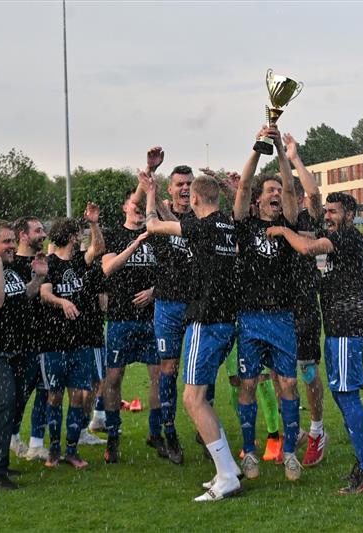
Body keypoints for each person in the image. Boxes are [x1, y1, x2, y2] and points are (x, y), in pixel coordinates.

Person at [267, 192, 363, 494]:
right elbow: (310, 234)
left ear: (350, 215)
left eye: (334, 211)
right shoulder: (339, 236)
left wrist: (282, 231)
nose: (328, 216)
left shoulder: (346, 237)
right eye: (327, 211)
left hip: (347, 330)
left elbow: (306, 247)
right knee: (343, 395)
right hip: (337, 330)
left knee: (347, 396)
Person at [142, 171, 243, 501]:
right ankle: (227, 467)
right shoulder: (227, 223)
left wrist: (149, 194)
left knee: (192, 399)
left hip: (206, 321)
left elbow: (154, 227)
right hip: (228, 321)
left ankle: (227, 475)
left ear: (196, 199)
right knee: (200, 398)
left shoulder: (203, 226)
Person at [232, 125, 303, 482]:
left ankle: (290, 452)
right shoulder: (244, 225)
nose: (276, 194)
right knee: (247, 385)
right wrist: (259, 147)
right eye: (270, 191)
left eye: (278, 192)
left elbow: (291, 187)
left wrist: (279, 147)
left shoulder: (288, 222)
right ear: (259, 199)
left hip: (282, 317)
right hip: (250, 319)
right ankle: (248, 453)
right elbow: (243, 186)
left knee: (288, 384)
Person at [0, 219, 46, 489]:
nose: (13, 246)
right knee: (2, 403)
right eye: (7, 241)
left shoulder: (10, 267)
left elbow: (20, 296)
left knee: (11, 405)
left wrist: (37, 278)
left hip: (14, 349)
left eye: (13, 241)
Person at [137, 147, 196, 465]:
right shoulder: (158, 215)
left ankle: (203, 427)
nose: (185, 189)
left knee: (201, 370)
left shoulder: (203, 216)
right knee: (168, 371)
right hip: (169, 306)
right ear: (171, 189)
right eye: (180, 184)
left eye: (189, 183)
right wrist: (150, 175)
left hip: (198, 305)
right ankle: (169, 431)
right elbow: (138, 206)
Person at [39, 206, 105, 468]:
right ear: (72, 236)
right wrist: (62, 302)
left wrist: (94, 223)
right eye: (79, 233)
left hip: (80, 342)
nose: (81, 237)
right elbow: (44, 293)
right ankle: (54, 450)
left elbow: (98, 247)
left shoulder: (80, 260)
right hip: (54, 342)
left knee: (78, 396)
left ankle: (72, 451)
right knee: (54, 396)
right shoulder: (51, 263)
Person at [100, 189, 162, 463]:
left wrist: (154, 290)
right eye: (134, 204)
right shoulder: (113, 234)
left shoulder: (158, 233)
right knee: (113, 379)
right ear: (125, 206)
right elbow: (108, 268)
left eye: (141, 205)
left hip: (151, 318)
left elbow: (173, 272)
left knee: (159, 377)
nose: (138, 209)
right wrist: (134, 244)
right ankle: (113, 436)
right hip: (120, 319)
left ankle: (155, 432)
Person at [284, 133, 329, 467]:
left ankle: (316, 430)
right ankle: (293, 430)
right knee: (278, 373)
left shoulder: (307, 217)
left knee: (307, 370)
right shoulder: (272, 220)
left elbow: (314, 193)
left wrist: (294, 158)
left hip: (303, 305)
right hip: (273, 309)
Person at [9, 216, 51, 460]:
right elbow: (19, 300)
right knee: (20, 394)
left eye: (43, 230)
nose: (43, 234)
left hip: (45, 339)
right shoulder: (12, 265)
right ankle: (12, 437)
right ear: (23, 236)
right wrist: (37, 277)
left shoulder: (44, 260)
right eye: (37, 231)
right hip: (21, 342)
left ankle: (37, 444)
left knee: (45, 392)